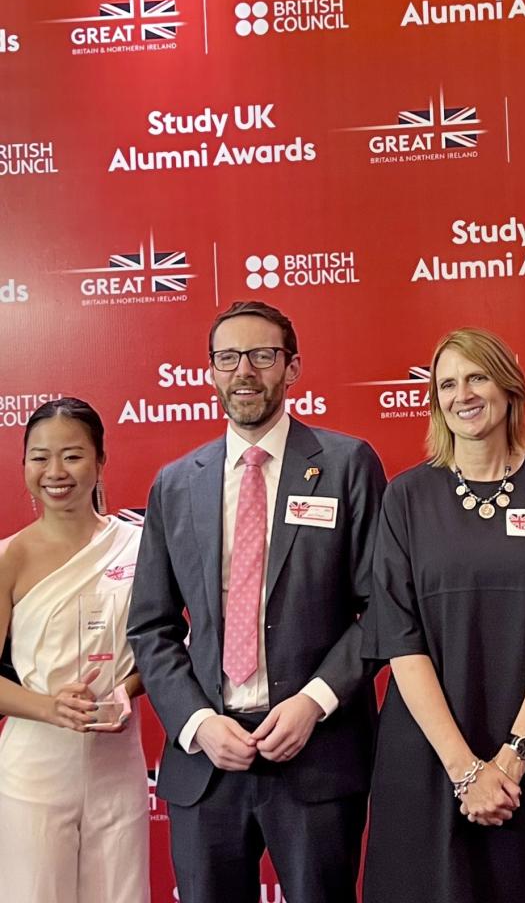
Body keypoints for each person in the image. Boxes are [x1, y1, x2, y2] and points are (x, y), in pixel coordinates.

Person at [127, 300, 386, 903]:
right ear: (211, 371)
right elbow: (151, 626)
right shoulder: (175, 483)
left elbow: (382, 611)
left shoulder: (348, 465)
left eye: (263, 356)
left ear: (291, 368)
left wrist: (313, 703)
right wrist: (196, 722)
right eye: (228, 357)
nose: (245, 371)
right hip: (206, 765)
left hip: (316, 756)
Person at [361, 327, 525, 903]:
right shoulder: (405, 498)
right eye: (447, 383)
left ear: (508, 386)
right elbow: (401, 639)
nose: (462, 394)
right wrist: (465, 770)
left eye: (476, 376)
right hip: (429, 755)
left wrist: (513, 758)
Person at [0, 397, 148, 903]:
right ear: (24, 465)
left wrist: (126, 692)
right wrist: (50, 707)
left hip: (118, 762)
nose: (55, 472)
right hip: (34, 768)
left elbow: (162, 647)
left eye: (72, 455)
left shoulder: (139, 546)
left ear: (101, 459)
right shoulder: (9, 557)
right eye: (39, 457)